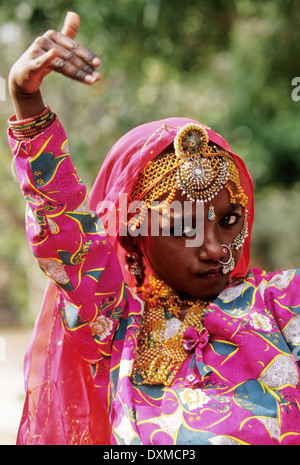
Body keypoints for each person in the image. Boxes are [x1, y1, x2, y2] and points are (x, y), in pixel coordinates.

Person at [7, 12, 300, 446]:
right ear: (134, 230)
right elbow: (66, 234)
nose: (216, 248)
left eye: (228, 221)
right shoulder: (115, 324)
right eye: (184, 227)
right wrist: (26, 100)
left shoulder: (282, 303)